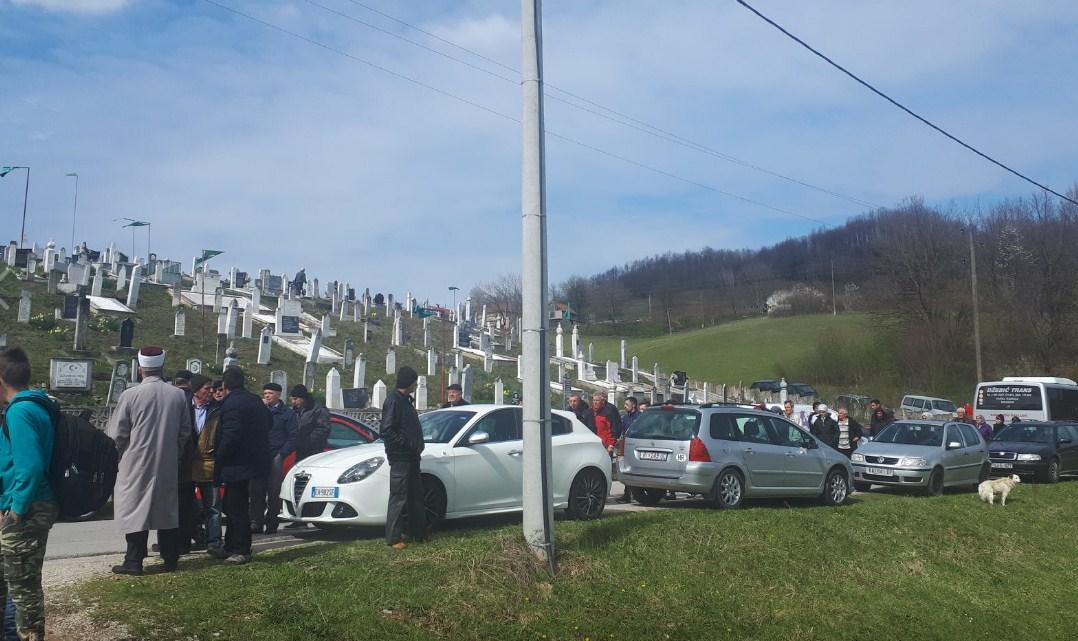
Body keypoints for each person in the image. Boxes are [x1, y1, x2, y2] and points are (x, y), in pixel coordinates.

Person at [106, 346, 192, 575]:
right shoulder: (178, 395)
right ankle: (170, 557)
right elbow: (185, 431)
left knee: (136, 510)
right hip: (167, 459)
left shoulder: (130, 395)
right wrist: (175, 452)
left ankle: (134, 560)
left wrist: (117, 455)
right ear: (162, 366)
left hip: (135, 461)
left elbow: (118, 434)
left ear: (140, 368)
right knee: (167, 509)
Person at [0, 347, 59, 640]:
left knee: (23, 589)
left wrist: (17, 510)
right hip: (18, 506)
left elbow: (31, 466)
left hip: (27, 509)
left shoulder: (21, 411)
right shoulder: (30, 406)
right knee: (12, 579)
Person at [210, 366, 271, 565]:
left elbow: (231, 435)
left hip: (237, 463)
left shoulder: (232, 404)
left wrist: (219, 458)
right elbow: (269, 422)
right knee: (232, 504)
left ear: (225, 385)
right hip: (254, 460)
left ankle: (241, 549)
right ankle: (230, 545)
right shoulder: (254, 400)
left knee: (237, 509)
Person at [178, 374, 222, 554]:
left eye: (211, 388)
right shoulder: (183, 408)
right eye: (207, 388)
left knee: (212, 506)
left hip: (208, 464)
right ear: (196, 391)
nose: (211, 391)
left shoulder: (217, 410)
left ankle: (214, 542)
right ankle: (186, 540)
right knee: (186, 506)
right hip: (186, 465)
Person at [381, 367, 424, 550]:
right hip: (400, 457)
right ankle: (393, 537)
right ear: (409, 383)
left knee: (415, 496)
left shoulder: (405, 401)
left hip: (412, 457)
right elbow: (387, 431)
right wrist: (407, 444)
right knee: (398, 497)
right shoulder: (393, 401)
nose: (416, 385)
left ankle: (417, 533)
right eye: (414, 382)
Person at [250, 383, 298, 534]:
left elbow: (293, 436)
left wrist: (282, 454)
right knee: (256, 492)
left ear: (278, 395)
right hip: (259, 456)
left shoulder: (287, 414)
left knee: (273, 493)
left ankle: (272, 523)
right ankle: (256, 522)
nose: (267, 396)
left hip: (276, 456)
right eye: (265, 393)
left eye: (270, 393)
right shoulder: (260, 411)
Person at [290, 385, 330, 463]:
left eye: (296, 399)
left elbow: (323, 430)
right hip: (298, 451)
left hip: (313, 453)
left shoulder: (318, 410)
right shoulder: (294, 411)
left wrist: (305, 442)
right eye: (292, 399)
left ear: (303, 398)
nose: (293, 402)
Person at [615, 398, 641, 504]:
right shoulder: (625, 418)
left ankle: (637, 493)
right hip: (626, 445)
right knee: (627, 468)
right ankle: (627, 494)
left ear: (633, 405)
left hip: (637, 445)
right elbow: (622, 430)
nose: (625, 406)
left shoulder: (639, 417)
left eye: (627, 404)